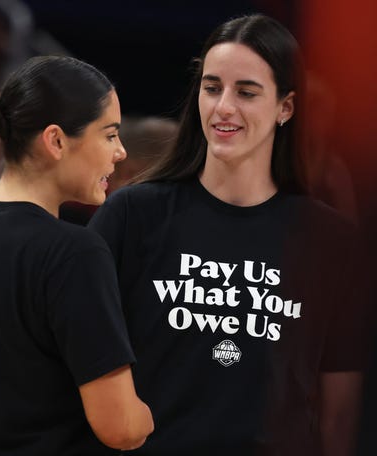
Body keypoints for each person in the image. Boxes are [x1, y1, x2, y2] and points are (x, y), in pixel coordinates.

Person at [88, 14, 370, 456]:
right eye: (212, 87)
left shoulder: (329, 242)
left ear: (286, 108)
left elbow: (338, 416)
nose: (223, 107)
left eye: (247, 92)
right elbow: (78, 366)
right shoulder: (132, 214)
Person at [0, 55, 153, 455]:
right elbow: (122, 429)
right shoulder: (75, 252)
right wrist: (155, 409)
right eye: (110, 134)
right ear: (56, 141)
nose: (120, 152)